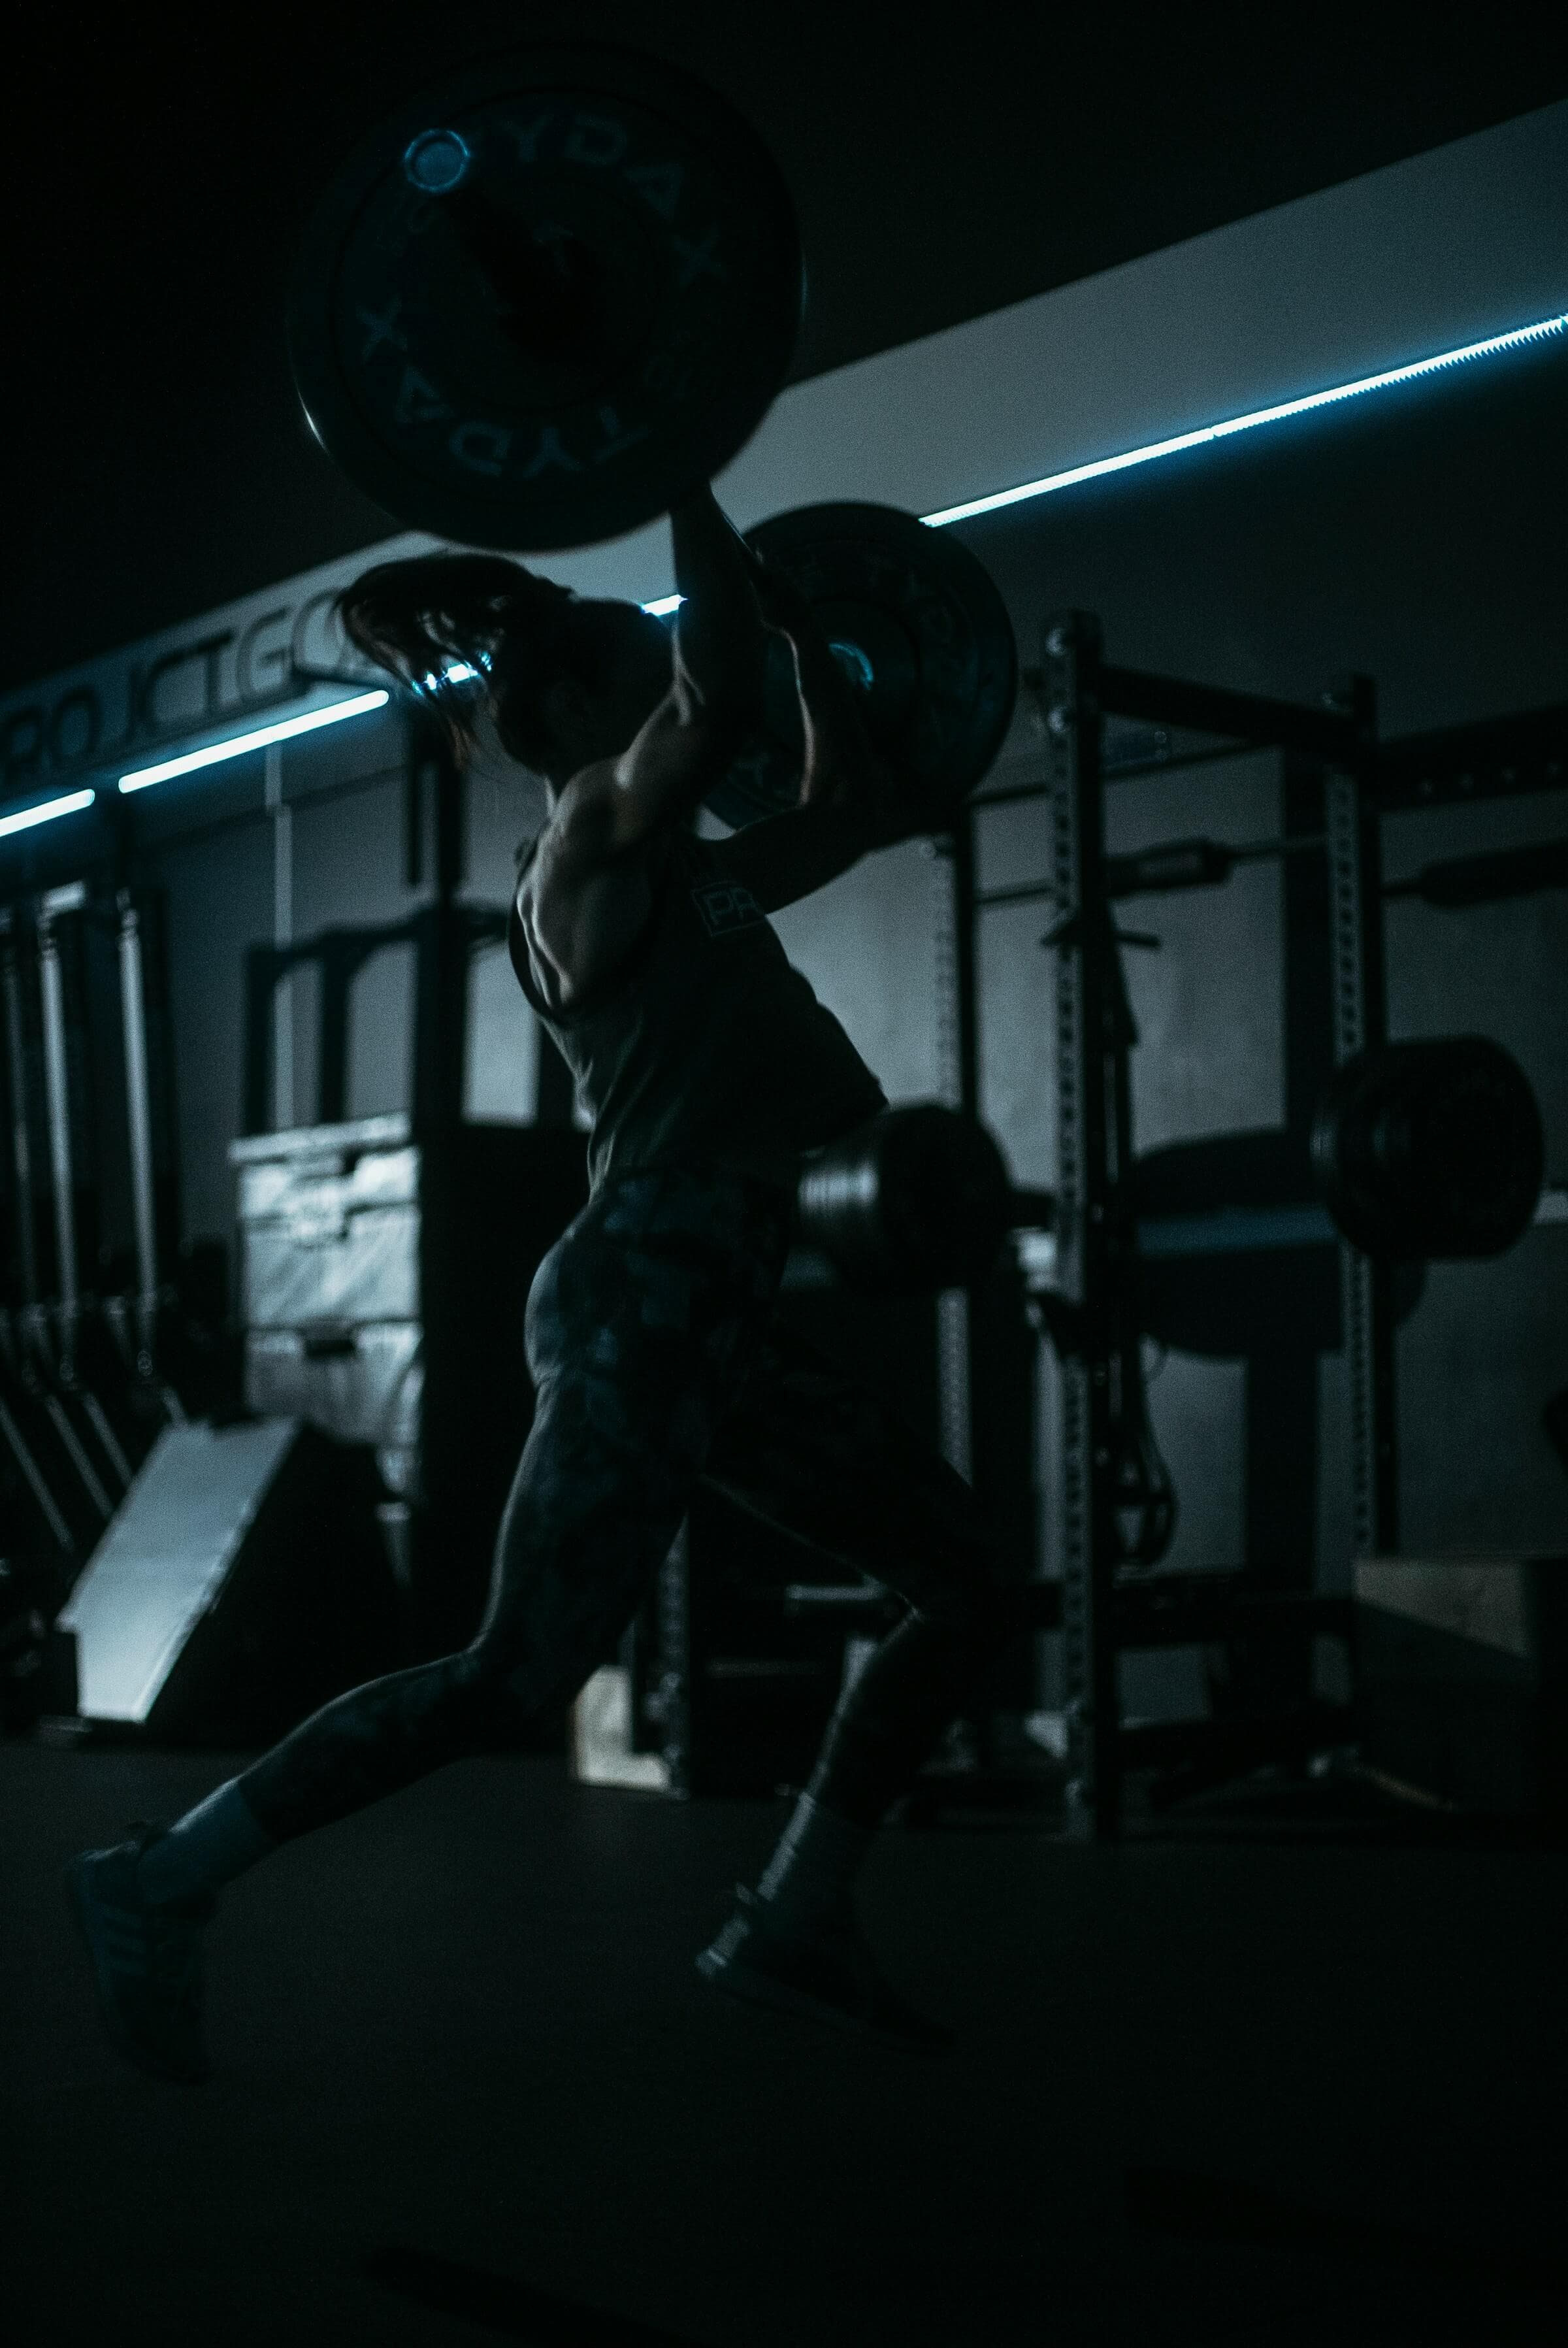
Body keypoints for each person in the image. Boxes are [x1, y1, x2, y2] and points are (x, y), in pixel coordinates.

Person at [68, 487, 1034, 2085]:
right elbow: (712, 696)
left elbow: (851, 810)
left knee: (963, 1578)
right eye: (641, 682)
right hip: (644, 1285)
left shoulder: (696, 885)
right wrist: (684, 465)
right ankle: (157, 1877)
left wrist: (804, 637)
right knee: (516, 1673)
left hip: (711, 1310)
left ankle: (798, 1914)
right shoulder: (586, 841)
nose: (674, 703)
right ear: (582, 712)